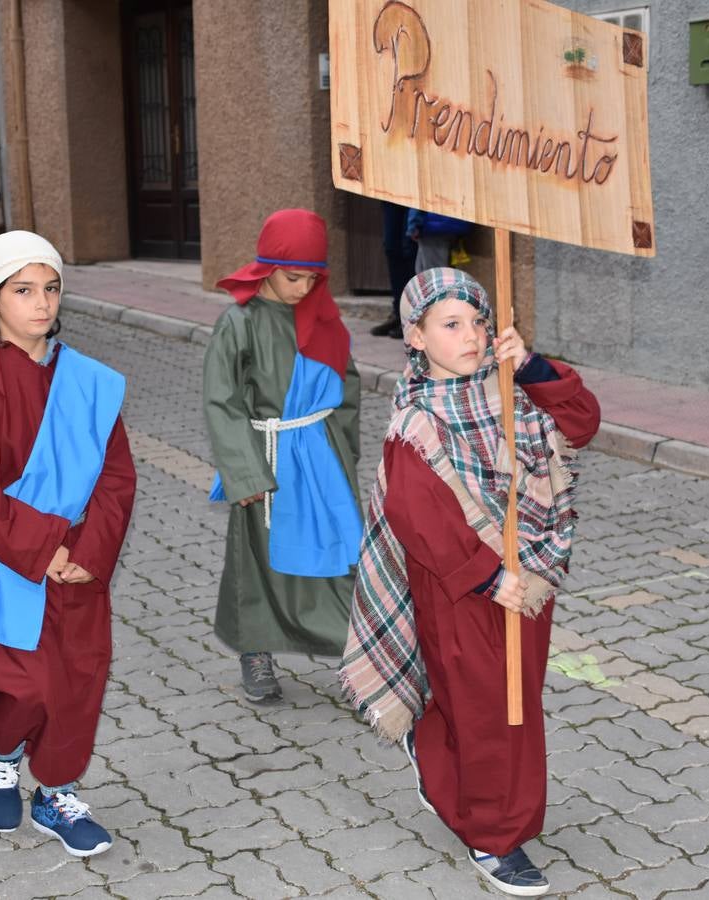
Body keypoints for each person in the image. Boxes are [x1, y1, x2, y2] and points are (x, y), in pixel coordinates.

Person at [341, 268, 600, 896]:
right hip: (461, 585)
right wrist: (488, 577)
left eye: (479, 322)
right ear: (416, 336)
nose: (472, 336)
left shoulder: (512, 389)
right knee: (484, 701)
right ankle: (491, 835)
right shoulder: (419, 417)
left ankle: (445, 764)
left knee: (514, 696)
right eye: (451, 324)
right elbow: (417, 515)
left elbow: (583, 422)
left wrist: (532, 365)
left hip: (531, 576)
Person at [0, 230, 136, 858]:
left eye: (50, 288)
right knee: (23, 681)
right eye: (24, 290)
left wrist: (91, 553)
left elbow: (116, 474)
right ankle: (0, 755)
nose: (42, 303)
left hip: (79, 561)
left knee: (77, 677)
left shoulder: (88, 382)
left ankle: (56, 792)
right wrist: (40, 548)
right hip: (7, 558)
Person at [203, 208, 364, 704]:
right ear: (267, 268)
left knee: (339, 554)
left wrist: (342, 452)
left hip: (319, 457)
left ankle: (358, 658)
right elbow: (221, 399)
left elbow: (347, 387)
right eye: (293, 277)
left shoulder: (322, 319)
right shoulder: (239, 322)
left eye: (312, 279)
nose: (301, 288)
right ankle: (256, 650)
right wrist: (244, 470)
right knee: (258, 560)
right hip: (266, 460)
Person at [370, 201, 417, 339]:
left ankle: (412, 316)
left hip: (415, 191)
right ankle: (398, 313)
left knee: (409, 248)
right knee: (391, 246)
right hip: (391, 190)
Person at [407, 209, 472, 272]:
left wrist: (413, 225)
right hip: (453, 224)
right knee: (427, 273)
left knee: (433, 274)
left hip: (433, 226)